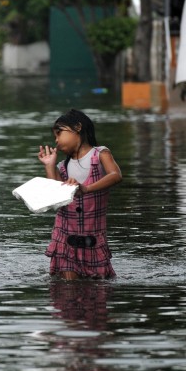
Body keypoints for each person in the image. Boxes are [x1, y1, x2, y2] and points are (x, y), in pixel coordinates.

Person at [37, 109, 122, 280]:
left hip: (93, 237)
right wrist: (49, 165)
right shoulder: (62, 167)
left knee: (97, 286)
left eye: (59, 133)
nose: (56, 140)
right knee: (69, 286)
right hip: (65, 237)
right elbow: (56, 196)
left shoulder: (100, 154)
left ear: (77, 127)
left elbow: (116, 175)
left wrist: (87, 189)